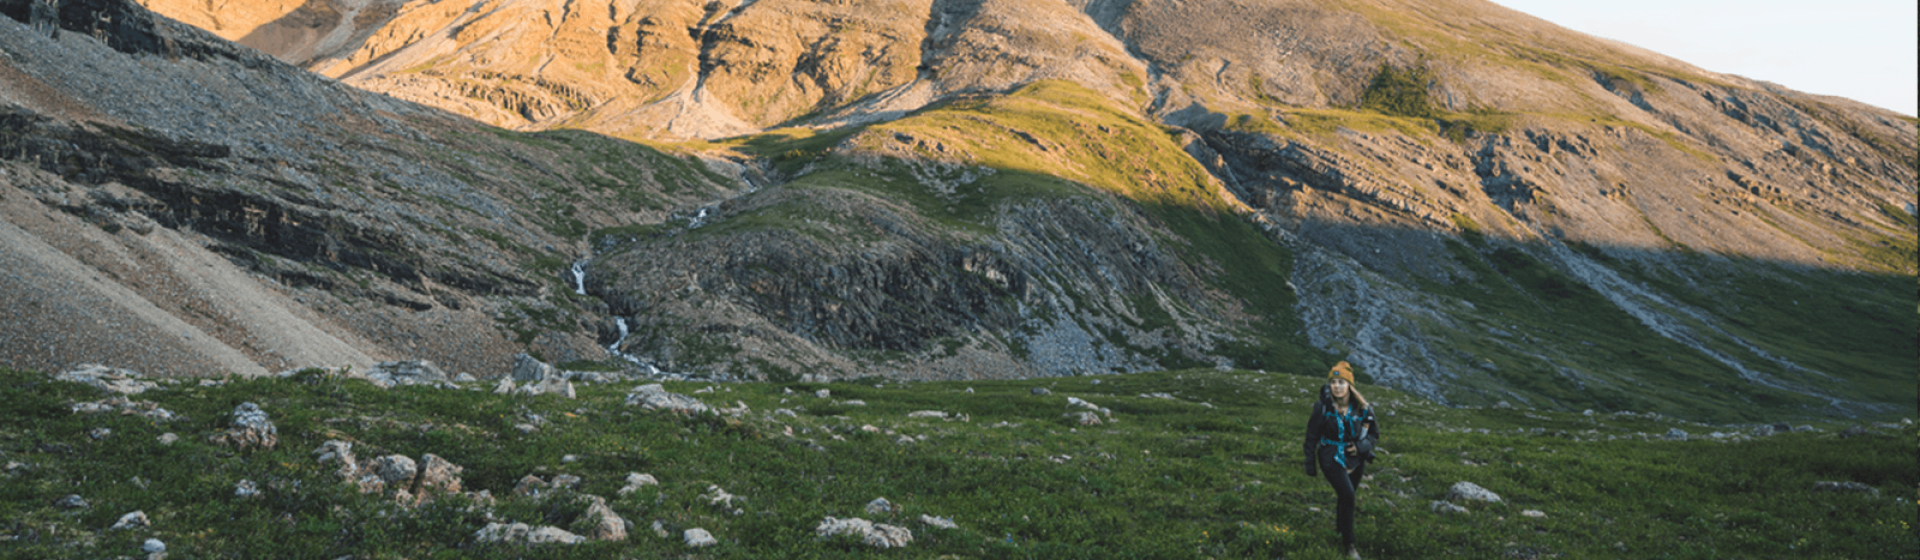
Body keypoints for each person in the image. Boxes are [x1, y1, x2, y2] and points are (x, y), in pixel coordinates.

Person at [1303, 361, 1380, 560]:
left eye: (1341, 382)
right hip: (1330, 457)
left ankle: (1340, 529)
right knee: (1349, 497)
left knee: (1346, 496)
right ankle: (1350, 545)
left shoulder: (1363, 408)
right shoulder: (1322, 407)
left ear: (1349, 386)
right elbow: (1311, 437)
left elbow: (1374, 435)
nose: (1336, 386)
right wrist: (1310, 464)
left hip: (1356, 460)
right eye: (1333, 382)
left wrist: (1360, 448)